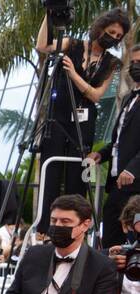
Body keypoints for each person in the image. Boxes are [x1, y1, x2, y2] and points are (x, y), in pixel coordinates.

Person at [32, 9, 129, 232]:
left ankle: (75, 228)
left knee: (78, 176)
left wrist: (74, 74)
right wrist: (49, 14)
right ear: (101, 27)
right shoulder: (73, 44)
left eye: (118, 36)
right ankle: (46, 229)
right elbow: (43, 46)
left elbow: (96, 95)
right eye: (111, 31)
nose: (113, 37)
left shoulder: (111, 62)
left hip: (84, 124)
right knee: (52, 172)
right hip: (58, 117)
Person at [89, 42, 140, 248]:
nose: (136, 66)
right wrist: (101, 154)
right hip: (117, 183)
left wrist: (132, 169)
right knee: (110, 237)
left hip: (135, 183)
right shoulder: (129, 98)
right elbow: (119, 140)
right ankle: (111, 279)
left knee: (134, 238)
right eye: (134, 62)